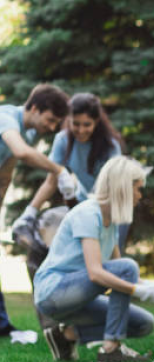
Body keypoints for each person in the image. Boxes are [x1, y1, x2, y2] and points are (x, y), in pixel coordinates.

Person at [33, 156, 154, 362]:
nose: (140, 195)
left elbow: (120, 272)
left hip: (79, 295)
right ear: (123, 188)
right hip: (53, 292)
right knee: (127, 267)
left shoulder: (110, 221)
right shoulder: (88, 213)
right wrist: (136, 291)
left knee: (144, 323)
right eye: (138, 189)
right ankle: (111, 349)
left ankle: (66, 335)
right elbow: (96, 272)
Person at [0, 84, 75, 337]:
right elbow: (20, 152)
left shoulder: (29, 133)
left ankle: (2, 326)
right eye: (50, 120)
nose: (52, 128)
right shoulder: (6, 118)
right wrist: (59, 170)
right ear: (33, 108)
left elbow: (7, 170)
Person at [12, 93, 128, 249]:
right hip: (84, 202)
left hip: (113, 208)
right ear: (68, 120)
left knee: (107, 258)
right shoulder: (63, 140)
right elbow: (51, 182)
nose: (80, 130)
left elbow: (113, 189)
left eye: (87, 124)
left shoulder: (110, 146)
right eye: (76, 124)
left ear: (96, 122)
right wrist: (29, 213)